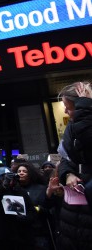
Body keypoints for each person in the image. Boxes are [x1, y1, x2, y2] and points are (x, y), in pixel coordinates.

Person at [56, 81, 92, 249]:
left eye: (68, 107)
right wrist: (68, 174)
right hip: (74, 212)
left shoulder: (82, 120)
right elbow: (66, 158)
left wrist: (84, 111)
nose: (65, 111)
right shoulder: (72, 127)